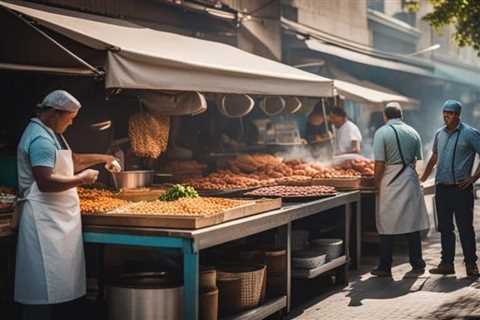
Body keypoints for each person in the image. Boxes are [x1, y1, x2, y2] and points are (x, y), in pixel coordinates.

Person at [15, 90, 118, 320]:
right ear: (54, 113)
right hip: (43, 222)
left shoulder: (50, 132)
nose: (71, 123)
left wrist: (104, 158)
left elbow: (73, 161)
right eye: (69, 118)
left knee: (56, 286)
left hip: (57, 221)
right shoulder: (40, 139)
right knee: (41, 287)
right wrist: (82, 179)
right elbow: (45, 181)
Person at [421, 100, 480, 277]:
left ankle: (471, 265)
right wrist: (422, 179)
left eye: (450, 112)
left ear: (457, 115)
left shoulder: (470, 134)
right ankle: (447, 263)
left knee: (465, 228)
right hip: (442, 189)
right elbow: (434, 158)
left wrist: (473, 178)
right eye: (444, 112)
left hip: (461, 189)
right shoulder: (439, 134)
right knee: (444, 228)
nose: (446, 115)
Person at [370, 102, 429, 277]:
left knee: (387, 222)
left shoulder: (382, 132)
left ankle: (385, 266)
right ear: (401, 115)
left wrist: (375, 183)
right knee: (412, 222)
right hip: (410, 178)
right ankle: (417, 262)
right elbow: (417, 160)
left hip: (390, 179)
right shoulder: (413, 132)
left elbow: (379, 162)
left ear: (385, 116)